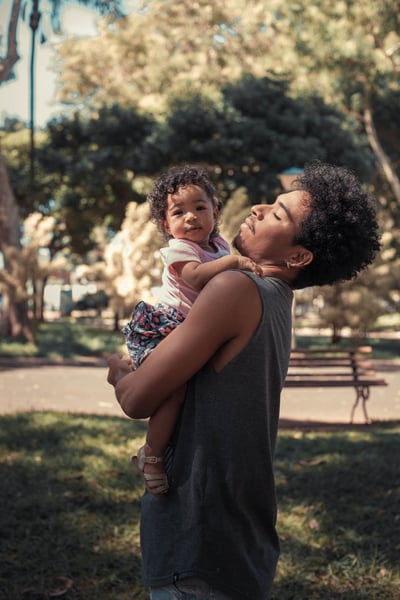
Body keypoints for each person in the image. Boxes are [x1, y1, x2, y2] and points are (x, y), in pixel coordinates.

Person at [107, 161, 381, 600]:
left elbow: (138, 399)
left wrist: (120, 373)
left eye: (277, 214)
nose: (257, 207)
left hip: (197, 533)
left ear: (297, 256)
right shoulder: (276, 298)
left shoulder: (234, 288)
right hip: (242, 531)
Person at [122, 164, 261, 495]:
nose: (191, 217)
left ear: (215, 210)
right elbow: (196, 277)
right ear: (165, 224)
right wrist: (235, 262)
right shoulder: (181, 250)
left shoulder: (220, 245)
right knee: (174, 392)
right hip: (166, 330)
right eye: (179, 212)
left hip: (194, 330)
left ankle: (122, 375)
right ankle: (151, 455)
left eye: (200, 207)